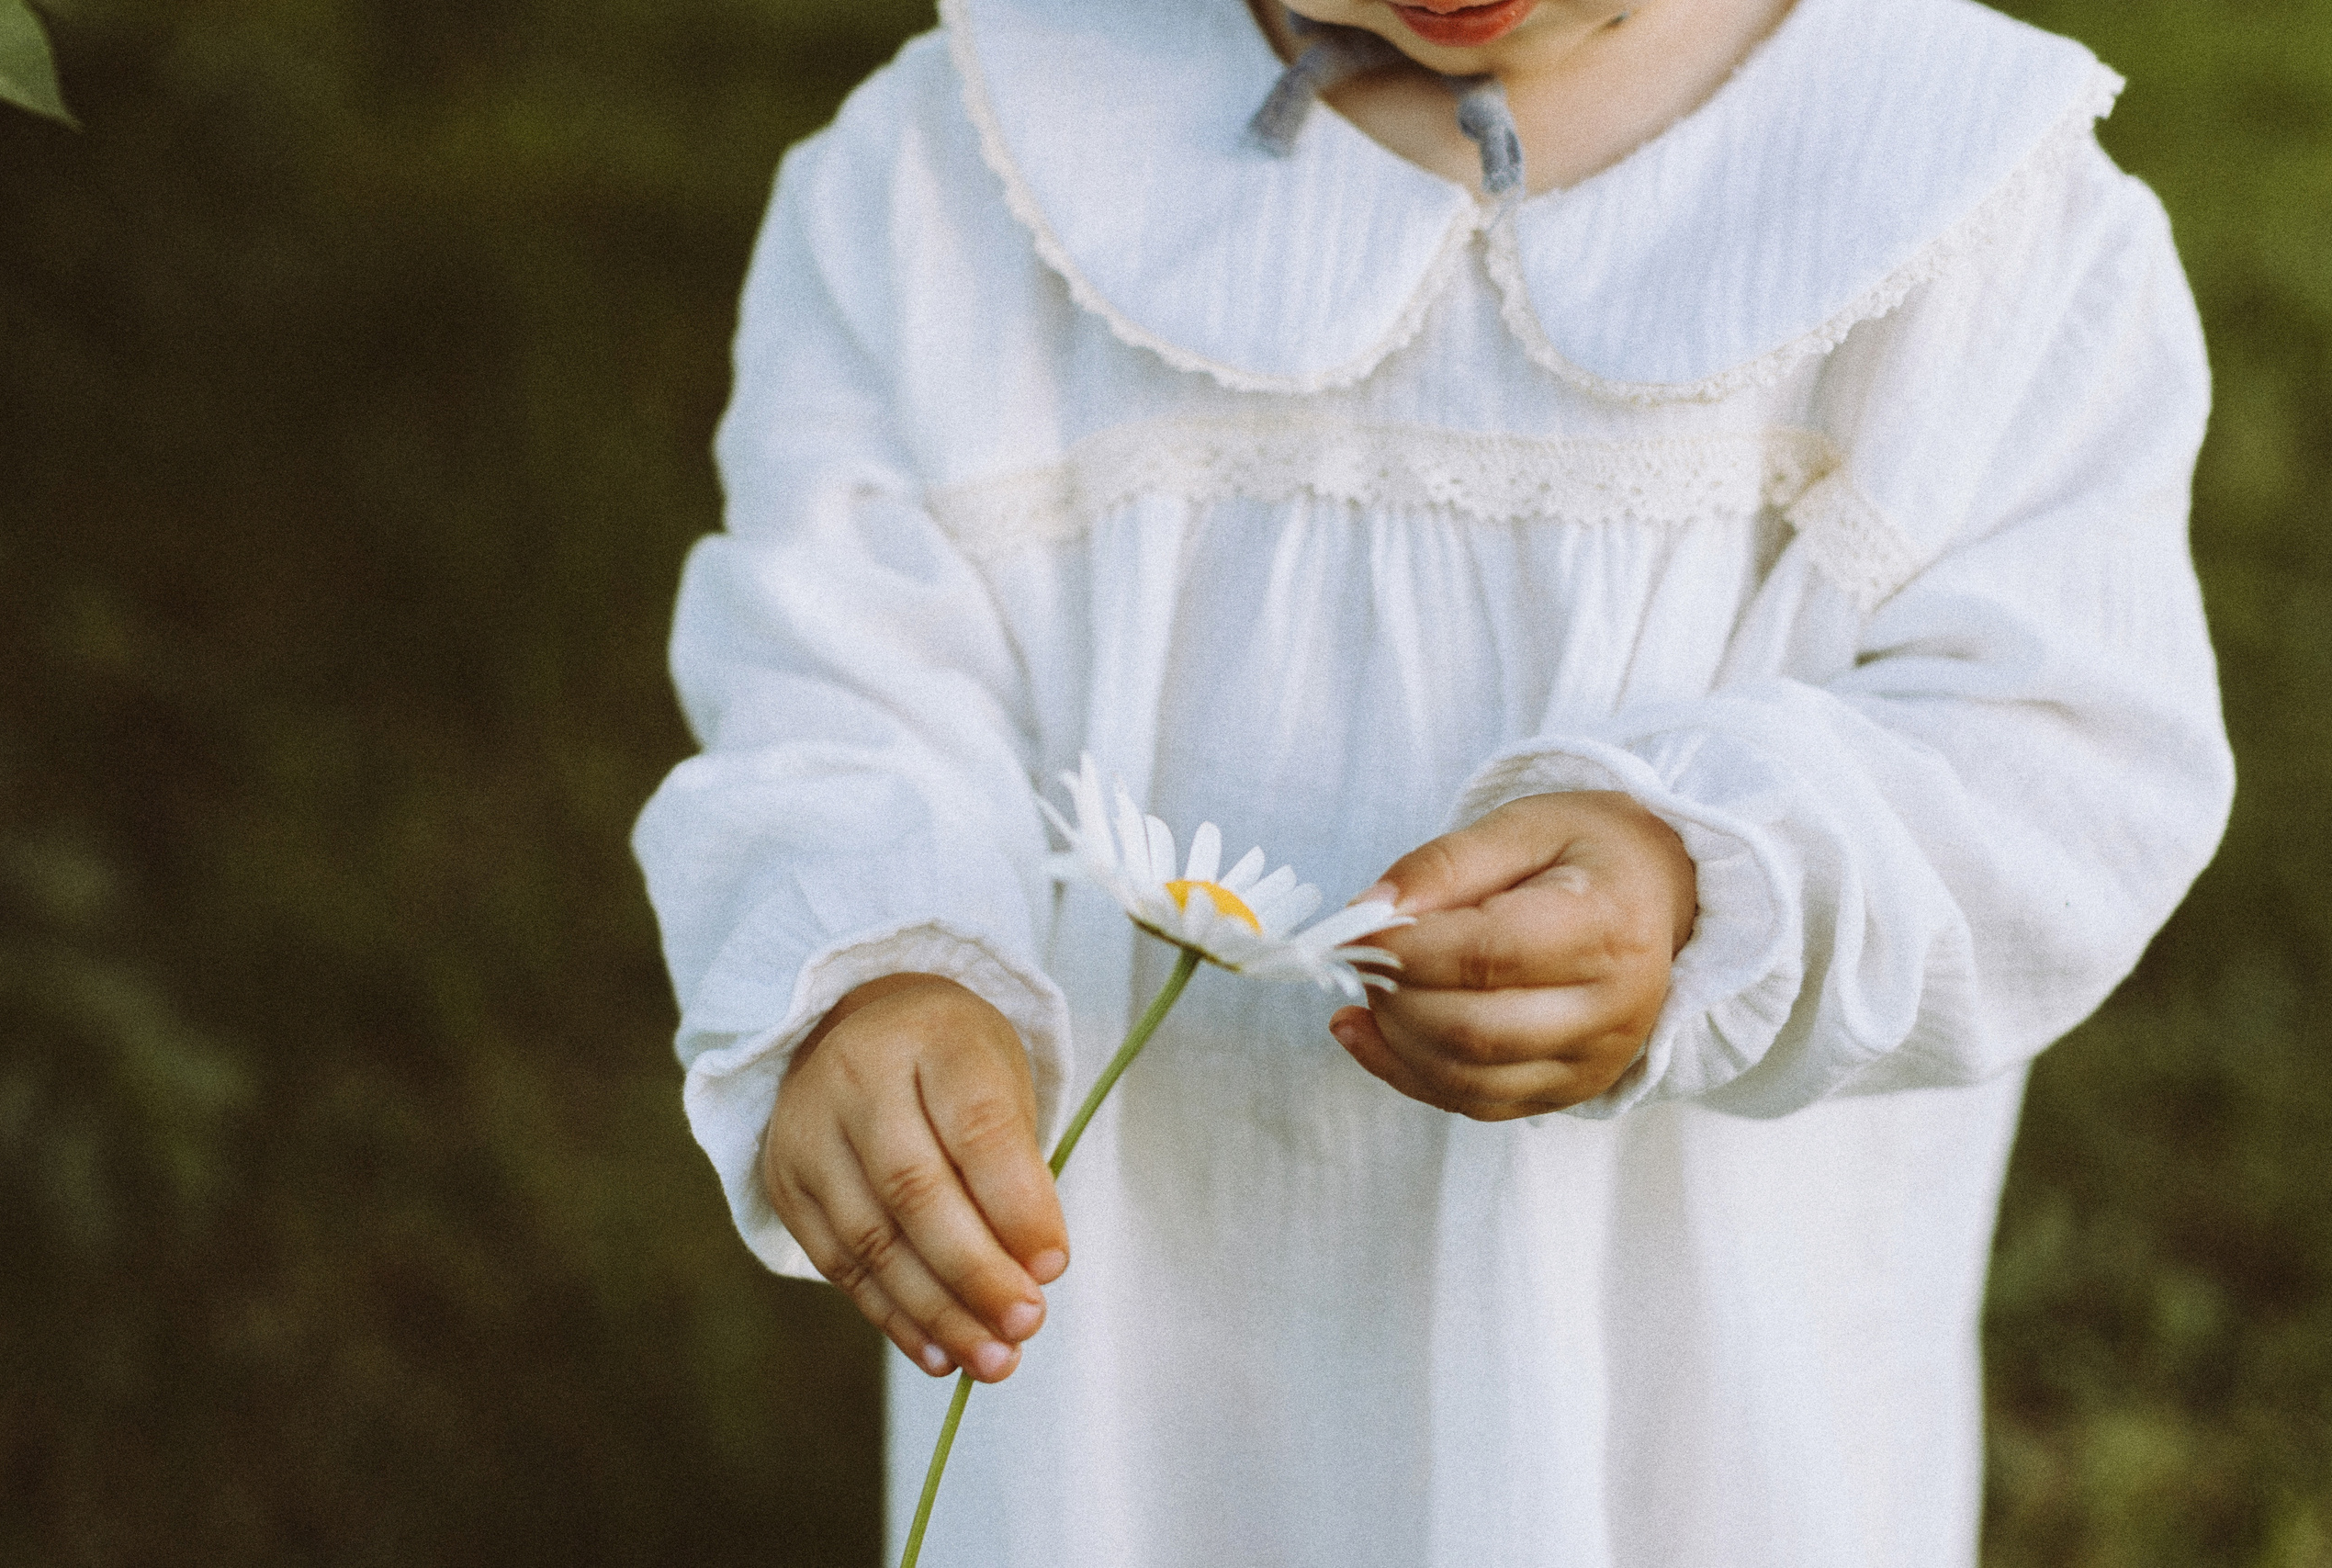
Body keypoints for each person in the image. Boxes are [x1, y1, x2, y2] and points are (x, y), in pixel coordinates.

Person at [632, 0, 2233, 1561]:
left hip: (1679, 1400)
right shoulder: (952, 176)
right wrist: (880, 966)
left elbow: (2059, 751)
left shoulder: (1968, 207)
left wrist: (1709, 874)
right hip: (1150, 1381)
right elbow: (839, 675)